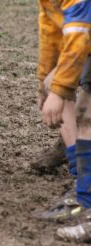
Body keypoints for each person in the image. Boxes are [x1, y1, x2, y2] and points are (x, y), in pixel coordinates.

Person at [33, 0, 91, 226]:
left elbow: (79, 36)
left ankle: (85, 199)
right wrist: (44, 84)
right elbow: (51, 35)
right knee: (52, 83)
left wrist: (59, 92)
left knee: (86, 113)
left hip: (85, 37)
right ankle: (82, 180)